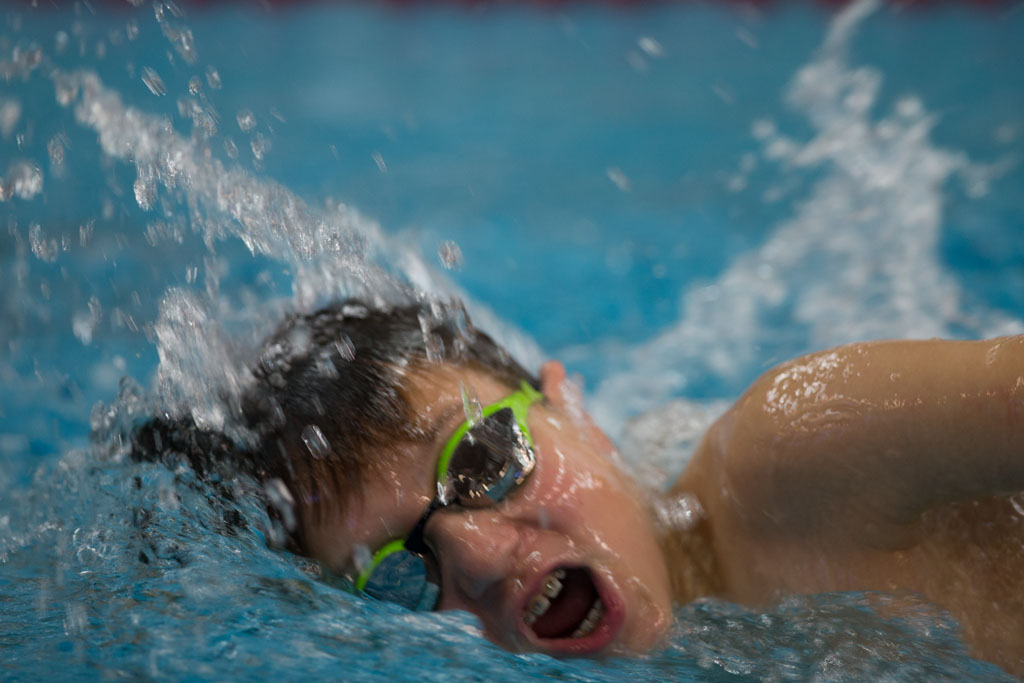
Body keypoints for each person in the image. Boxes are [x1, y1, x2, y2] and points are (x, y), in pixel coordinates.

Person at [131, 298, 1024, 674]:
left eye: (481, 461)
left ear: (572, 409)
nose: (477, 556)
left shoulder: (794, 456)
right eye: (400, 572)